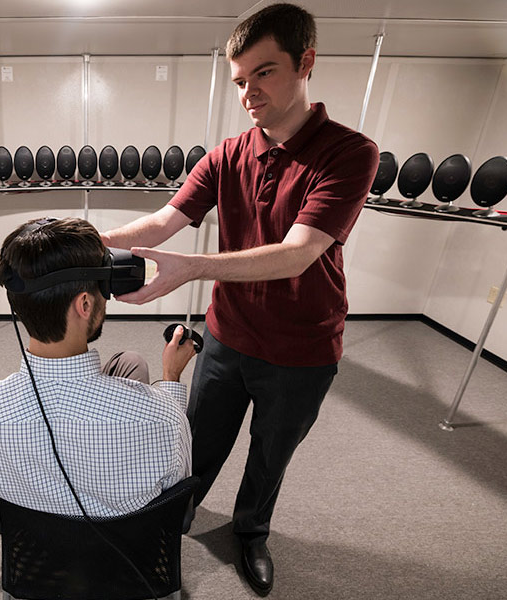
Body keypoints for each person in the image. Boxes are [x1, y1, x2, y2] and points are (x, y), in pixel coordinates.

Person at [100, 3, 379, 596]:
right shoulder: (228, 153)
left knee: (269, 457)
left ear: (306, 62)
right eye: (240, 80)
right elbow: (164, 221)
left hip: (302, 347)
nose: (249, 92)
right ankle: (174, 516)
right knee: (197, 442)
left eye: (265, 73)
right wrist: (87, 240)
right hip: (228, 334)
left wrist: (192, 270)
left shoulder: (350, 152)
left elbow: (297, 252)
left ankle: (251, 532)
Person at [0, 217, 197, 517]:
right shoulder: (163, 417)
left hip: (36, 551)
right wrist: (170, 377)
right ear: (85, 305)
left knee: (129, 363)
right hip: (123, 551)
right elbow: (175, 495)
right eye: (102, 290)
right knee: (133, 368)